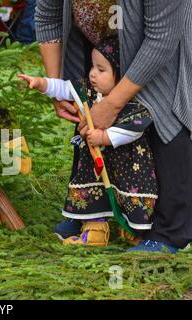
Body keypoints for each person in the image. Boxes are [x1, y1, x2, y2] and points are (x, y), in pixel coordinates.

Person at [35, 0, 192, 253]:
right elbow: (48, 18)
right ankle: (92, 210)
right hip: (99, 44)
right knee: (94, 128)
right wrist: (57, 86)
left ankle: (169, 231)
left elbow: (161, 38)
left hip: (161, 44)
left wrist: (114, 104)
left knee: (162, 117)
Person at [19, 36, 157, 247]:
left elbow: (135, 128)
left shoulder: (133, 102)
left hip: (128, 165)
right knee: (92, 189)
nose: (93, 73)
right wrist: (41, 83)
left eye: (101, 70)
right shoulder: (89, 91)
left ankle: (134, 230)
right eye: (93, 67)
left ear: (121, 74)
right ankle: (94, 228)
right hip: (94, 162)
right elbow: (64, 88)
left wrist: (104, 137)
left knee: (129, 194)